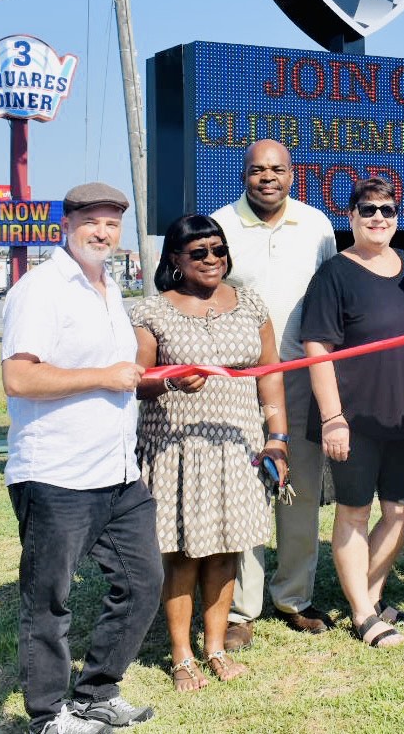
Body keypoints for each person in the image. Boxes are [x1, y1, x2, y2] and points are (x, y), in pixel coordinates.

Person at [0, 182, 162, 734]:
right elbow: (19, 377)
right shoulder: (40, 289)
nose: (103, 232)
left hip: (117, 471)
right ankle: (48, 716)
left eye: (112, 223)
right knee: (49, 601)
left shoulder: (109, 287)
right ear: (65, 225)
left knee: (142, 583)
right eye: (92, 221)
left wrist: (154, 381)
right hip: (57, 474)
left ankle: (97, 694)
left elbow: (119, 376)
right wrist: (105, 376)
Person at [132, 215, 289, 688]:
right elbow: (134, 383)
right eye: (198, 253)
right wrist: (168, 380)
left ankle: (215, 646)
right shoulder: (151, 312)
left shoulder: (251, 304)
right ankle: (181, 655)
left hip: (236, 446)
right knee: (182, 555)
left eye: (218, 250)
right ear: (176, 259)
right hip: (179, 450)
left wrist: (277, 437)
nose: (212, 260)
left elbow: (271, 373)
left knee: (225, 552)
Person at [211, 140, 337, 649]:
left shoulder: (317, 225)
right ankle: (242, 608)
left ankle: (295, 597)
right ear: (244, 174)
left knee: (300, 491)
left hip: (303, 378)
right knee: (246, 493)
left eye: (277, 169)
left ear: (293, 173)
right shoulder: (221, 224)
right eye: (258, 169)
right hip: (240, 381)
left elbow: (329, 295)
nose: (268, 177)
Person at [301, 177, 404, 647]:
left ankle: (369, 599)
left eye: (388, 210)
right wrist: (333, 417)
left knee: (401, 510)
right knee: (354, 512)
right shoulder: (335, 273)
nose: (379, 217)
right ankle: (362, 613)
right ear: (350, 216)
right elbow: (317, 346)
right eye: (368, 209)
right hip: (351, 420)